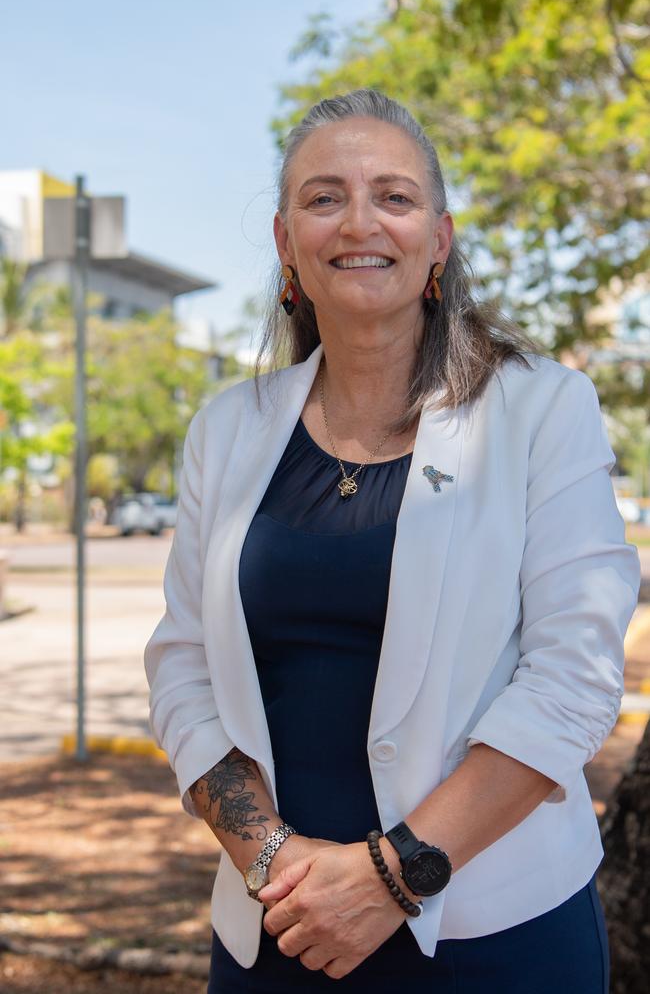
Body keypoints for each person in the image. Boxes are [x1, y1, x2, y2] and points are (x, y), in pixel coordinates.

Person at [144, 90, 640, 992]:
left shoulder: (543, 410)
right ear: (288, 243)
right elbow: (182, 665)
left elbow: (573, 676)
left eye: (395, 197)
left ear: (439, 242)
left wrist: (388, 879)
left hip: (494, 936)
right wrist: (274, 865)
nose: (361, 221)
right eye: (324, 197)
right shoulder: (226, 429)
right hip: (279, 929)